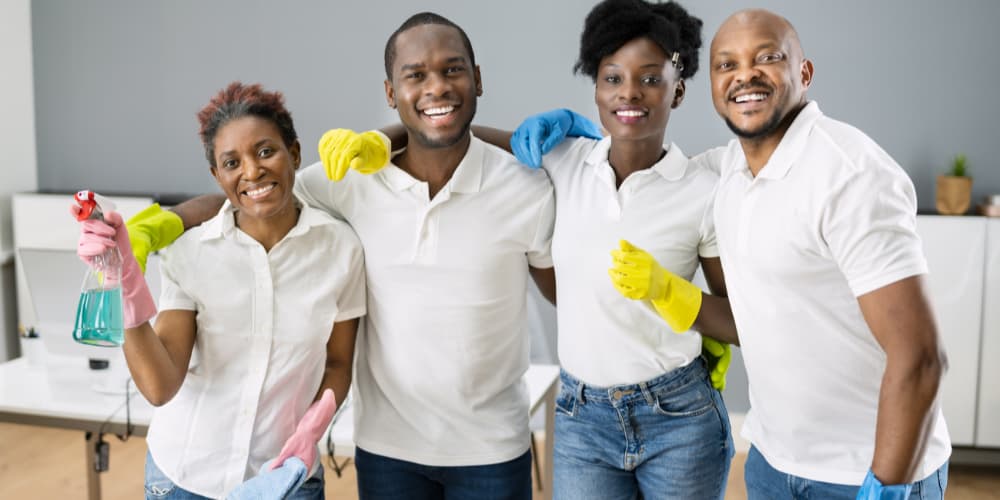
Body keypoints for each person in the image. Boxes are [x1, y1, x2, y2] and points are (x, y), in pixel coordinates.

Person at [128, 13, 556, 500]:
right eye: (416, 75)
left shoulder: (525, 188)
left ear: (477, 78)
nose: (436, 86)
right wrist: (168, 221)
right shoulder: (346, 180)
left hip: (492, 448)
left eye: (453, 70)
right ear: (391, 93)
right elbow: (249, 197)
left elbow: (564, 285)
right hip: (388, 449)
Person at [323, 2, 736, 499]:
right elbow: (449, 132)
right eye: (612, 78)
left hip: (675, 408)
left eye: (650, 78)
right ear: (596, 88)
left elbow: (741, 319)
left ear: (680, 88)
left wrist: (678, 299)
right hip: (584, 416)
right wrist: (382, 138)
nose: (629, 92)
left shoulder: (702, 188)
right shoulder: (562, 161)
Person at [74, 82, 366, 499]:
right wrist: (124, 287)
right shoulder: (191, 253)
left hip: (284, 475)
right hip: (183, 478)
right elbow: (160, 386)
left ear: (295, 154)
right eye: (232, 162)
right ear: (217, 175)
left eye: (266, 151)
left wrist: (312, 429)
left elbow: (338, 361)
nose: (251, 171)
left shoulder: (341, 249)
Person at [704, 9, 951, 499]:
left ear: (804, 72)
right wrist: (560, 134)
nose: (745, 75)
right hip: (773, 464)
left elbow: (921, 357)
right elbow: (642, 156)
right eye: (726, 64)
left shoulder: (851, 175)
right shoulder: (729, 168)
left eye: (767, 57)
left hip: (867, 470)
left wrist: (885, 486)